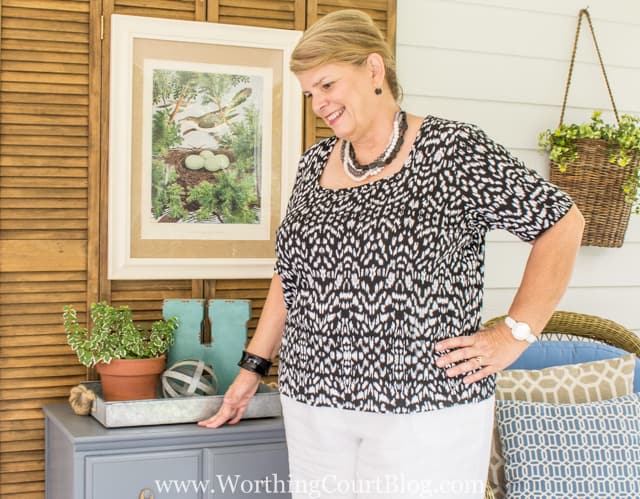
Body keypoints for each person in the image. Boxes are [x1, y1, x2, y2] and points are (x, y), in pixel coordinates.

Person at [199, 9, 585, 499]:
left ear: (374, 69)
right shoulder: (316, 162)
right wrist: (252, 369)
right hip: (313, 405)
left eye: (327, 85)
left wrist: (515, 333)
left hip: (423, 408)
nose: (319, 104)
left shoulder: (453, 149)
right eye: (310, 94)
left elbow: (561, 223)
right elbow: (291, 276)